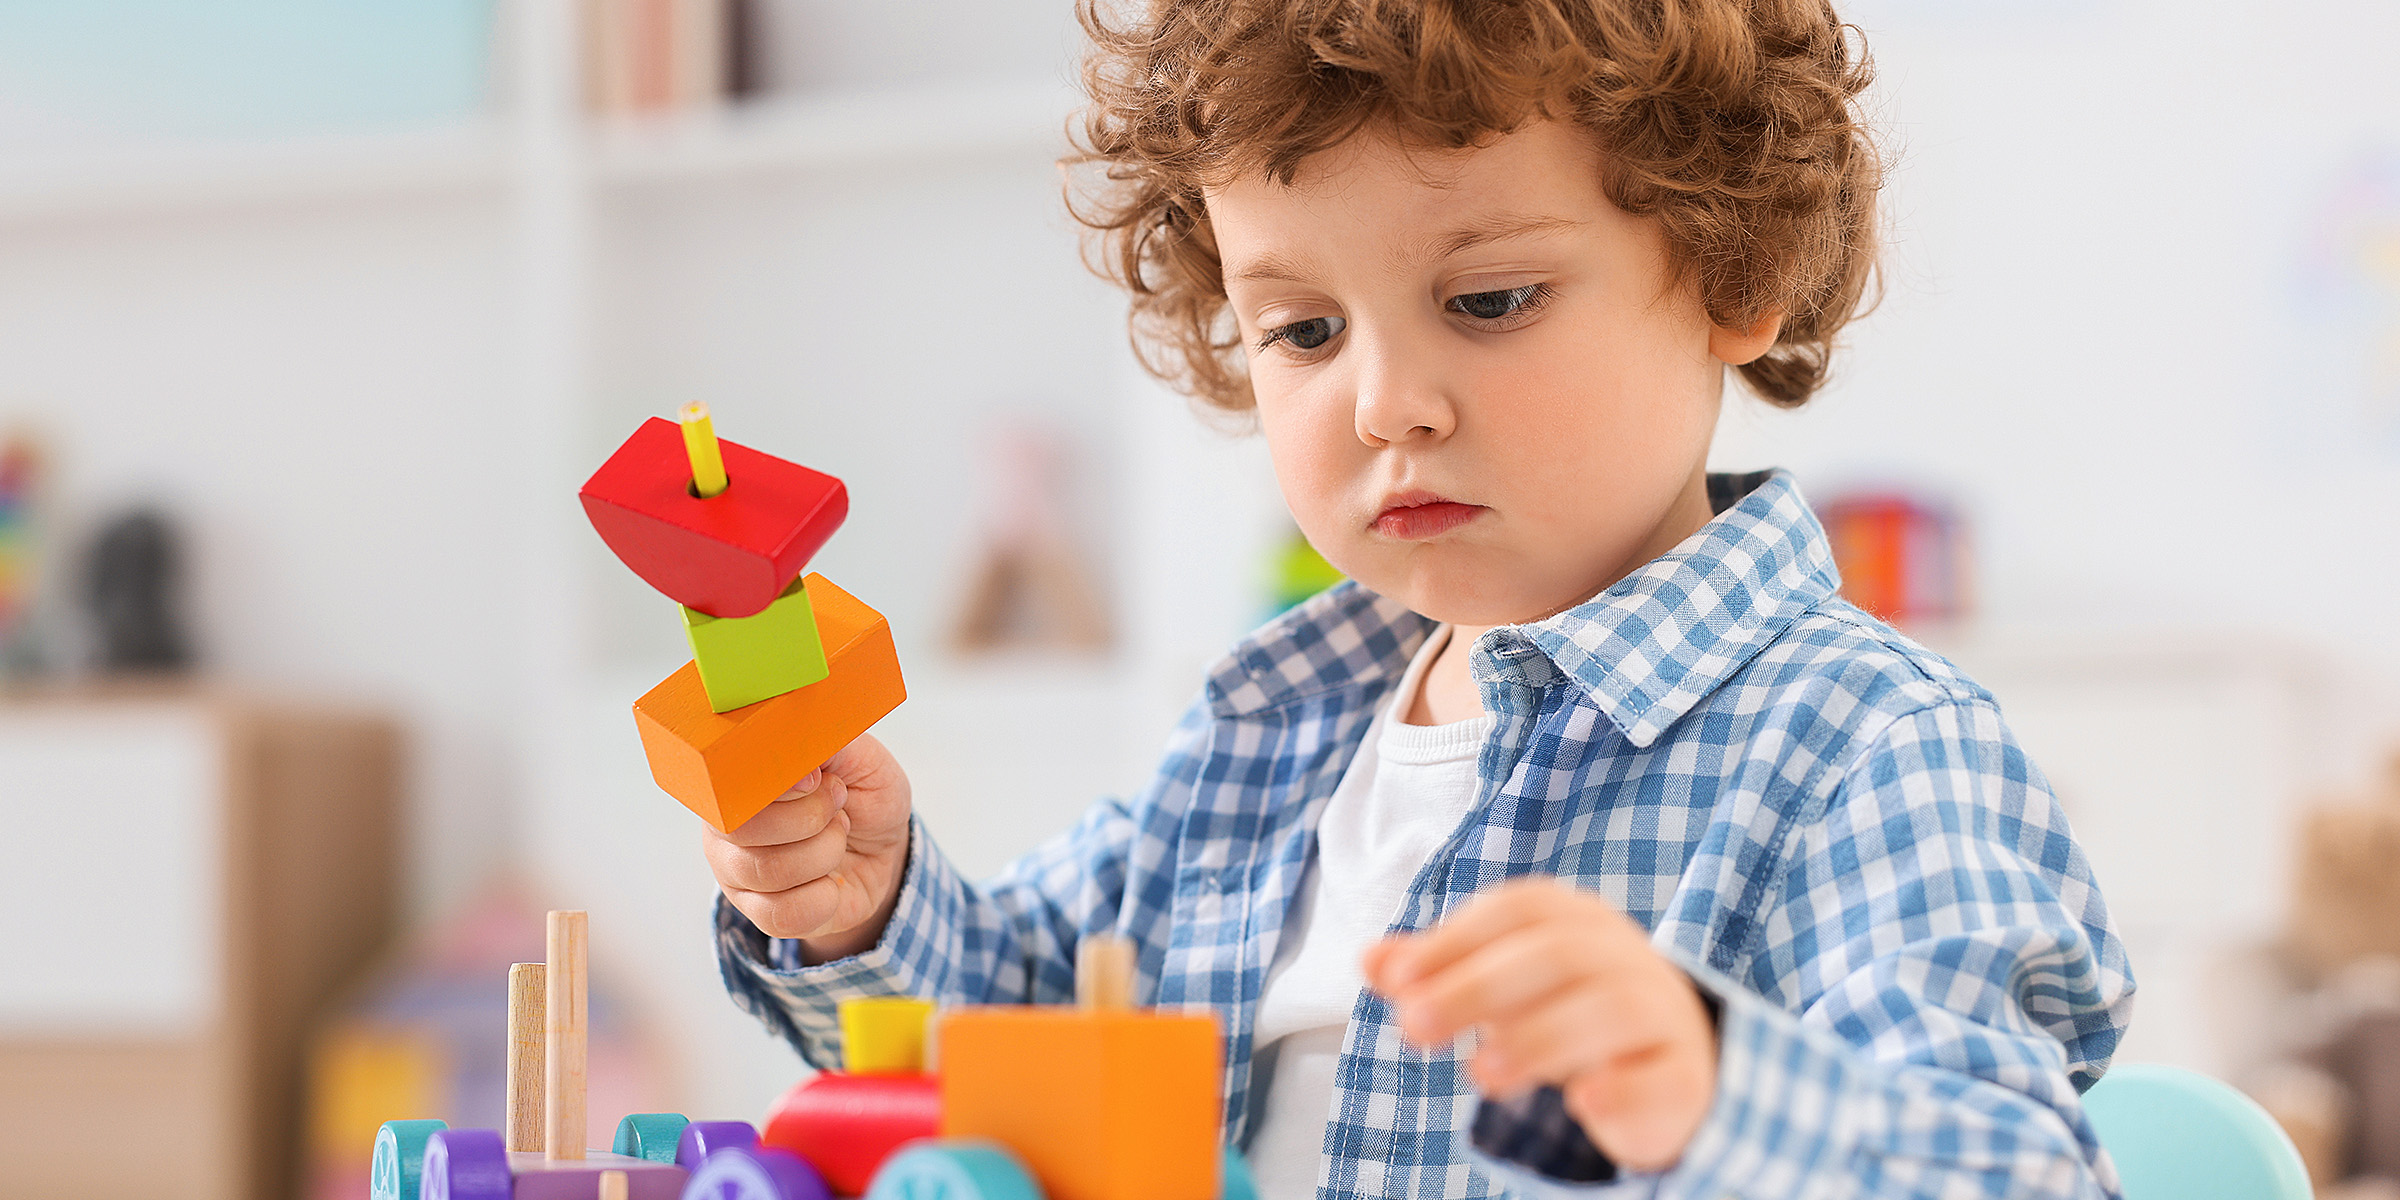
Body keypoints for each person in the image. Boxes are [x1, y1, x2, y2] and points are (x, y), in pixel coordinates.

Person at [701, 1, 2135, 1195]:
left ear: (1733, 271)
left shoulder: (1868, 749)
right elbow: (1023, 1041)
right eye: (1305, 330)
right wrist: (860, 904)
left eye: (1491, 299)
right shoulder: (1272, 732)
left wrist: (1714, 1090)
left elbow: (2005, 1171)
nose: (1388, 403)